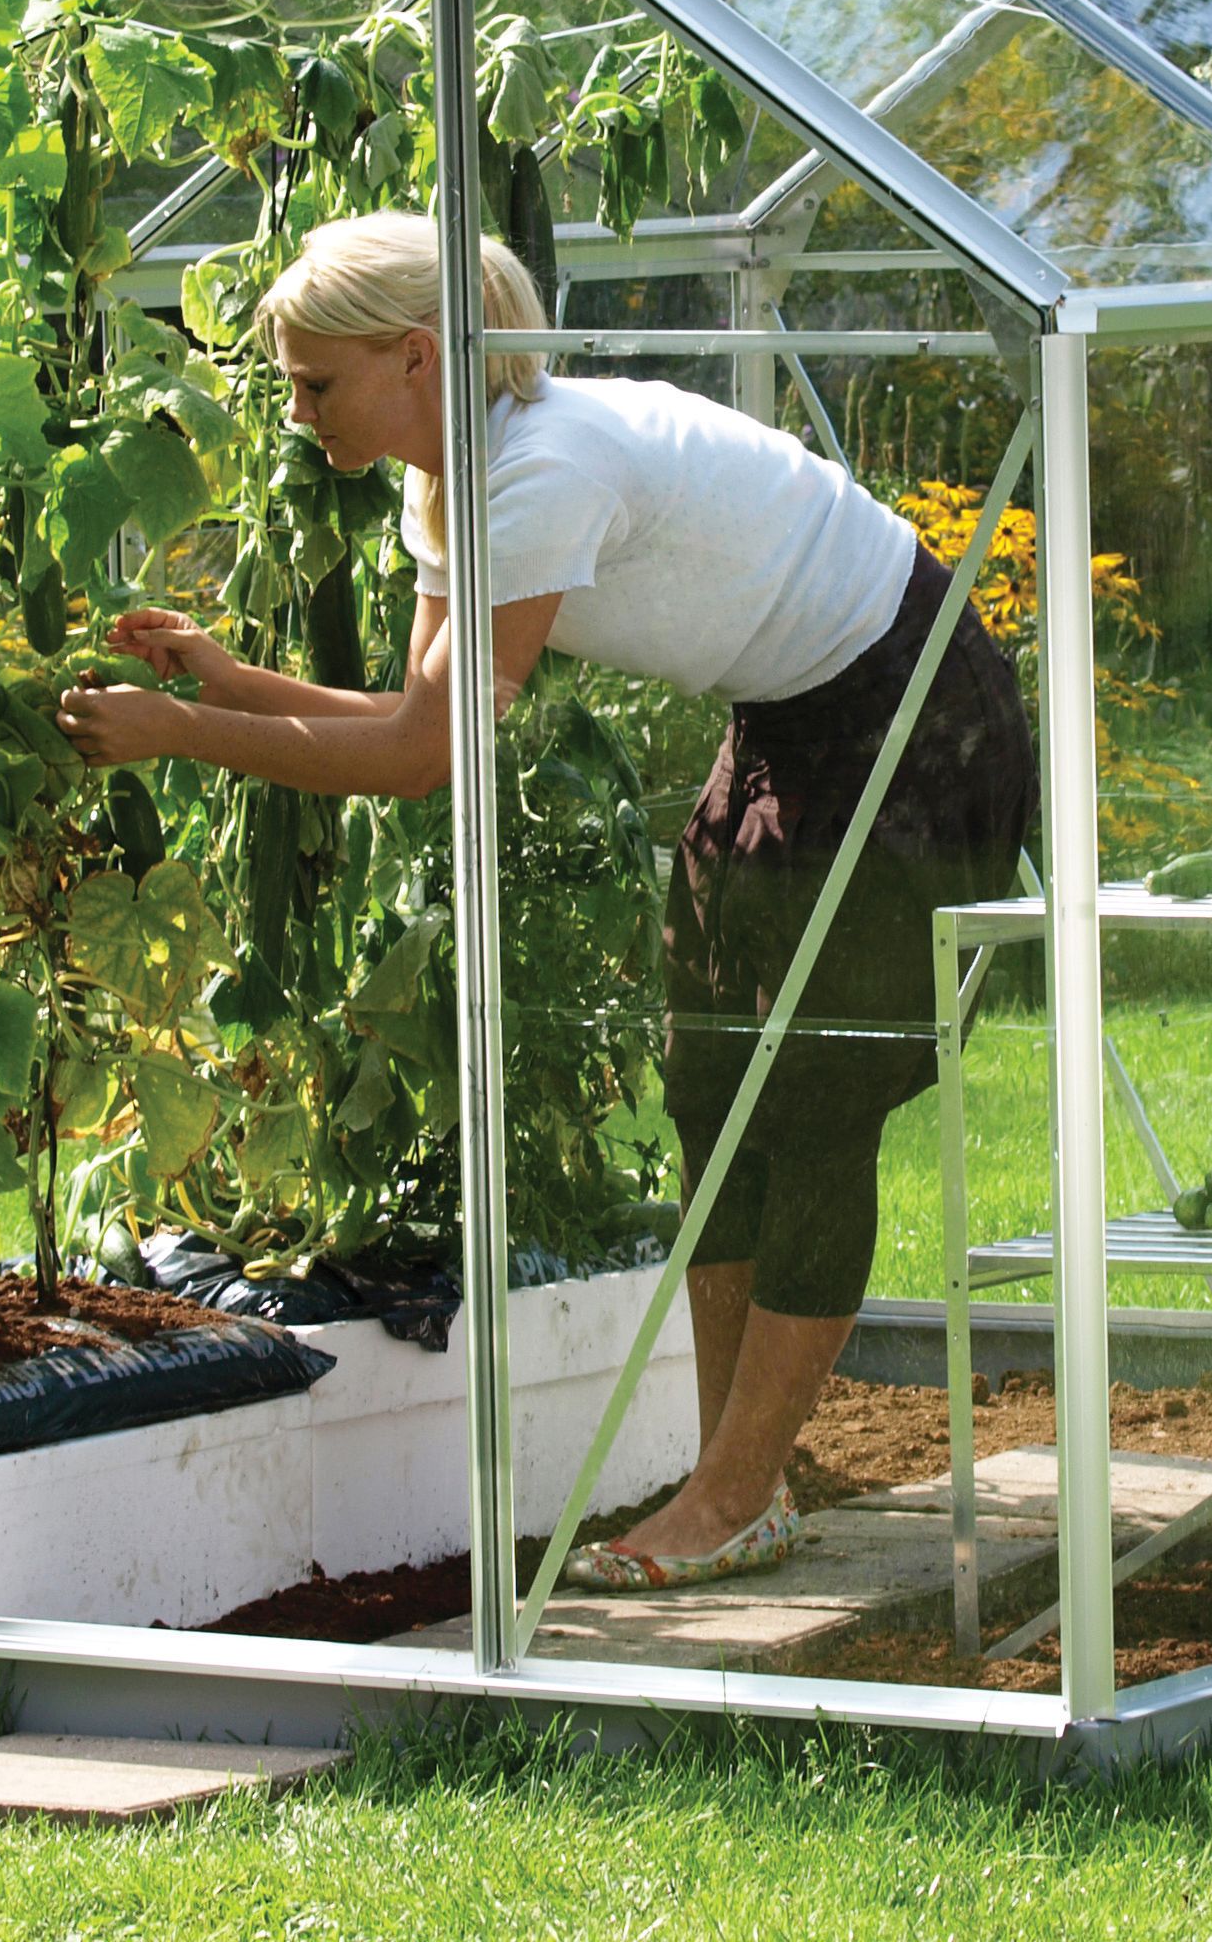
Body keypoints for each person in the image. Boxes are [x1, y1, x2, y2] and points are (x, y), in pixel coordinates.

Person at [55, 210, 1034, 1590]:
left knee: (812, 1099)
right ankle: (735, 1486)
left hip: (914, 717)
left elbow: (425, 762)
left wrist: (176, 732)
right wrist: (228, 682)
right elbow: (415, 715)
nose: (296, 413)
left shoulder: (542, 468)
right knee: (713, 1087)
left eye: (313, 383)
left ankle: (734, 1494)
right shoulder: (444, 478)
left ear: (412, 357)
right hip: (789, 721)